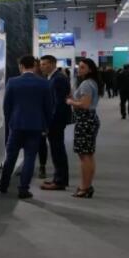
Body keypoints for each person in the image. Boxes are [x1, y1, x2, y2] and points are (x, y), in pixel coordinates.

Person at [0, 55, 52, 200]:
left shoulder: (12, 82)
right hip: (35, 126)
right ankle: (23, 189)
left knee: (10, 157)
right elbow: (48, 107)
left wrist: (10, 122)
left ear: (21, 66)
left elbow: (6, 106)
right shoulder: (43, 83)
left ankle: (3, 185)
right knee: (30, 158)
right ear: (34, 66)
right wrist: (46, 125)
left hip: (16, 125)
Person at [66, 58, 101, 198]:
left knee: (84, 156)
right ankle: (87, 186)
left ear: (90, 69)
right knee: (88, 155)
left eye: (82, 67)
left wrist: (70, 101)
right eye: (79, 67)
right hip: (89, 120)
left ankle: (84, 187)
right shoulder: (91, 82)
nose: (79, 69)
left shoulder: (86, 84)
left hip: (85, 121)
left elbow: (85, 105)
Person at [40, 55, 72, 191]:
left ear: (53, 64)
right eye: (41, 64)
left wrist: (49, 121)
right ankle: (58, 178)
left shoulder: (58, 78)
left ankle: (60, 181)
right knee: (56, 149)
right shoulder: (53, 77)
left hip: (56, 120)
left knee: (57, 149)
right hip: (56, 119)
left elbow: (58, 103)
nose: (42, 67)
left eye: (44, 64)